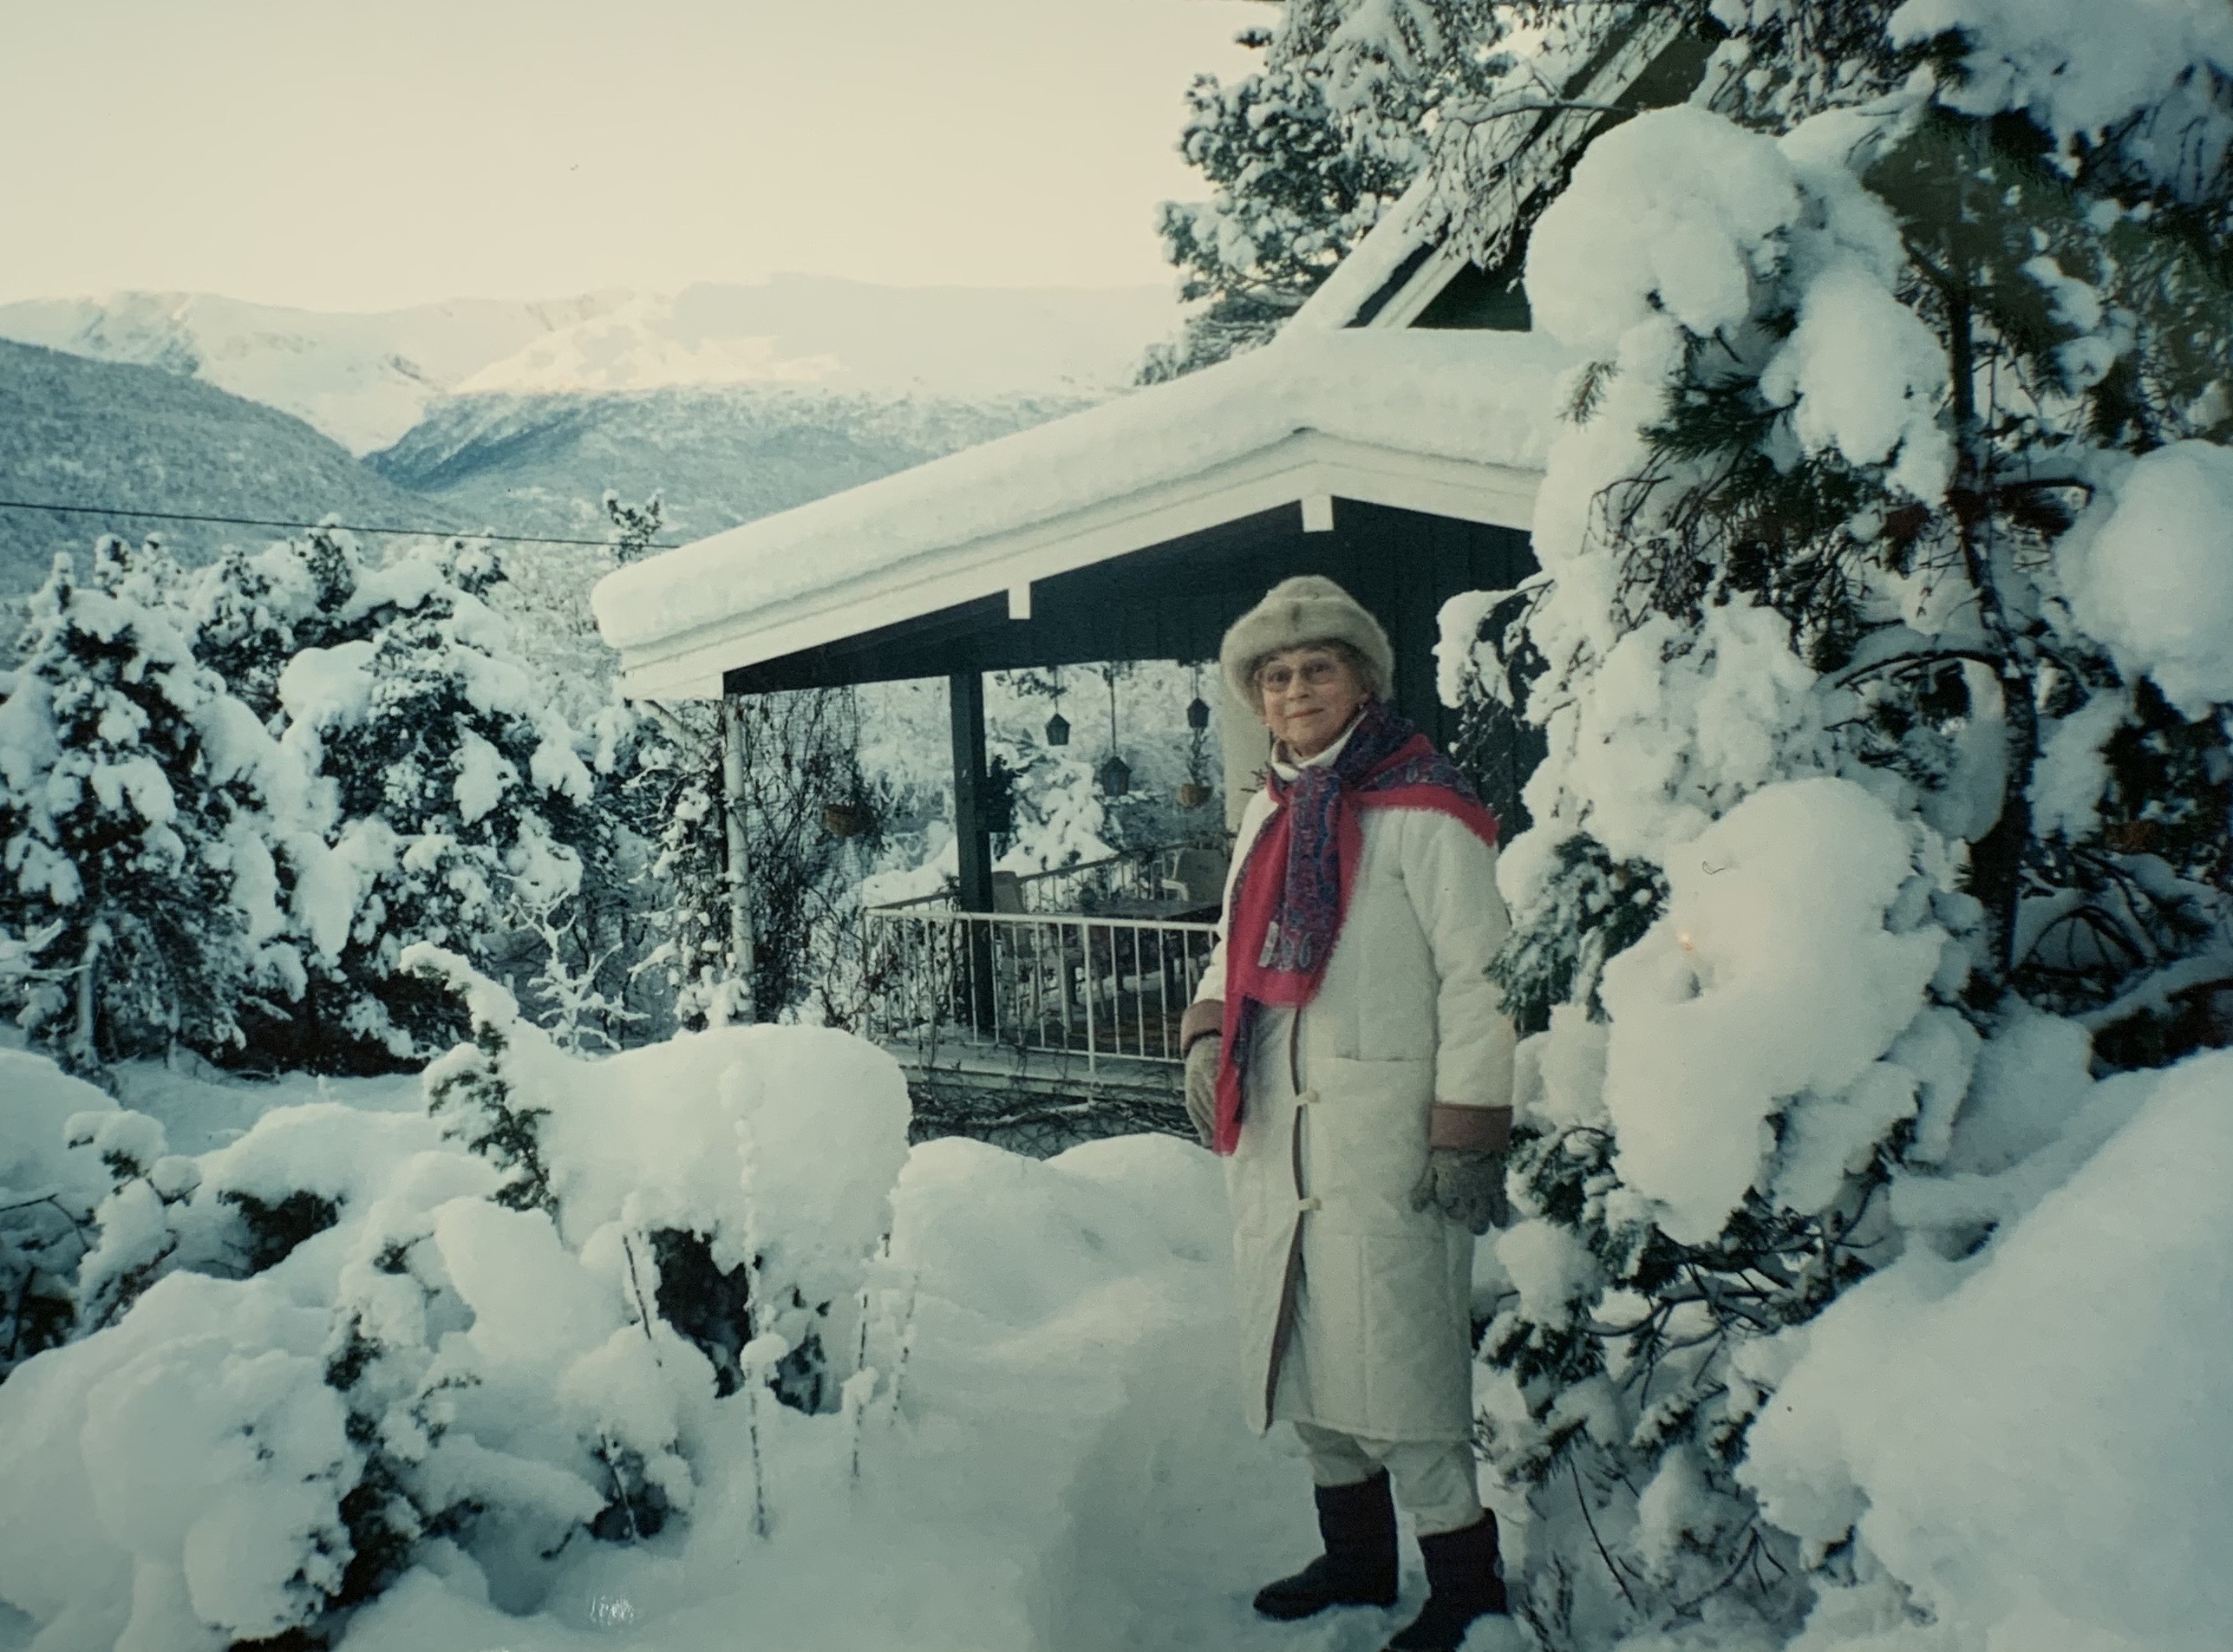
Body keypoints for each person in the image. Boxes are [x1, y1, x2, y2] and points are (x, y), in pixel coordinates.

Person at [1177, 575, 1517, 1652]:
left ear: (1363, 680)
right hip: (1280, 1129)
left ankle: (1466, 1590)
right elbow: (1232, 946)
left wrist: (1466, 1131)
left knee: (1403, 1374)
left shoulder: (1428, 812)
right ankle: (1359, 1563)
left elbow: (1482, 981)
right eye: (1273, 676)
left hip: (1385, 1141)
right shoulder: (1266, 812)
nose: (1294, 690)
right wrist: (1200, 1034)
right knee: (1308, 1359)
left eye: (1316, 667)